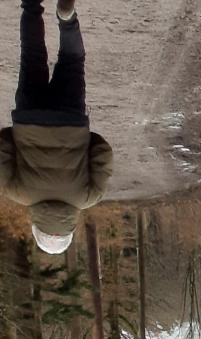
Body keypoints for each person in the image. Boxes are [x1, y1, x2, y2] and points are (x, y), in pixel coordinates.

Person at [0, 0, 109, 255]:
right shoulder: (17, 191)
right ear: (36, 227)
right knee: (31, 53)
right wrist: (17, 134)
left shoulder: (88, 196)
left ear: (70, 228)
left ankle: (67, 20)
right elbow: (2, 148)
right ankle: (30, 5)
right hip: (29, 116)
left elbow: (103, 153)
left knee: (72, 60)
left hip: (71, 119)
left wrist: (82, 139)